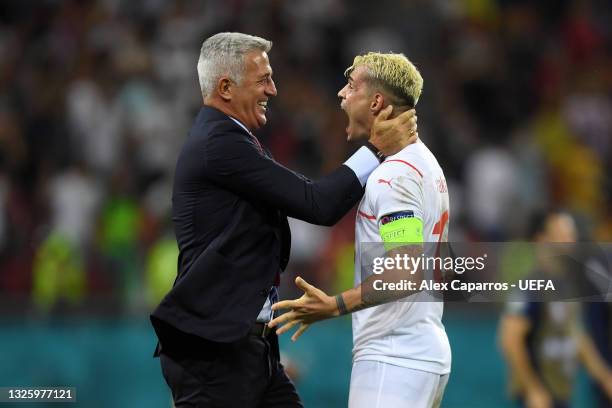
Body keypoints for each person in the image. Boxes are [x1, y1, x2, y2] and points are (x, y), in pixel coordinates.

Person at [149, 33, 419, 407]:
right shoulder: (219, 143)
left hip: (249, 349)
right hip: (213, 354)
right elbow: (316, 203)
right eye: (263, 80)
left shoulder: (233, 140)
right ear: (225, 87)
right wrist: (377, 149)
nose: (273, 90)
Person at [270, 52, 451, 408]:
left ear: (377, 102)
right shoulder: (426, 164)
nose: (341, 94)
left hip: (394, 355)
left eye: (351, 86)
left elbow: (405, 271)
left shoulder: (394, 176)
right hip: (418, 349)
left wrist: (334, 305)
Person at [498, 210, 612, 408]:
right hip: (540, 397)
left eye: (572, 234)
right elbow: (509, 339)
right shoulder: (531, 286)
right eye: (563, 234)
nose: (571, 240)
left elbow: (576, 335)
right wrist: (533, 389)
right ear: (543, 239)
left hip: (560, 391)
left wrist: (604, 377)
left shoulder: (567, 285)